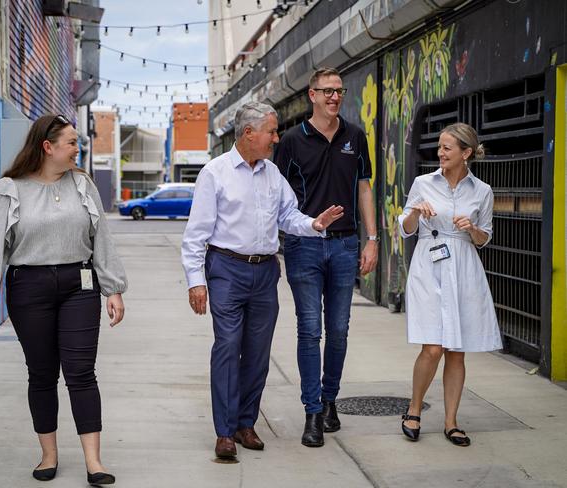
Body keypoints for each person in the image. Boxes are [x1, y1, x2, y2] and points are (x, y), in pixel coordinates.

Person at [0, 114, 127, 484]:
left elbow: (101, 238)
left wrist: (113, 287)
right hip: (29, 286)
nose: (77, 149)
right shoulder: (9, 189)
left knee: (81, 372)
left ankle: (94, 463)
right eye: (71, 143)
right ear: (47, 147)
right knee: (41, 374)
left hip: (79, 285)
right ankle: (48, 455)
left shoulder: (83, 185)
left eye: (77, 143)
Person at [182, 101, 345, 459]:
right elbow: (196, 234)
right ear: (248, 133)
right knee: (227, 346)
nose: (275, 137)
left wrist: (314, 224)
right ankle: (224, 432)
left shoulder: (272, 173)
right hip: (226, 268)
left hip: (265, 272)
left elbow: (288, 215)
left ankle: (245, 424)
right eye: (271, 131)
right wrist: (196, 281)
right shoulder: (215, 173)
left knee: (258, 353)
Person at [274, 67, 378, 447]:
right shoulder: (291, 140)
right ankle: (312, 411)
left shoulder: (355, 136)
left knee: (338, 330)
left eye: (339, 91)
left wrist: (372, 239)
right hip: (304, 247)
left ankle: (330, 399)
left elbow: (364, 188)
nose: (335, 97)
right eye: (327, 91)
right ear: (311, 95)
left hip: (346, 245)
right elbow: (277, 196)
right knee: (309, 330)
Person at [398, 122, 502, 447]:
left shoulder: (482, 191)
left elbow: (485, 238)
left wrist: (472, 229)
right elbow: (405, 227)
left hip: (464, 266)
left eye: (447, 148)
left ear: (466, 153)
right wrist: (415, 212)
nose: (440, 153)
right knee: (432, 347)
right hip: (429, 264)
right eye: (440, 147)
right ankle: (414, 409)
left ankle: (451, 422)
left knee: (456, 351)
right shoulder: (422, 183)